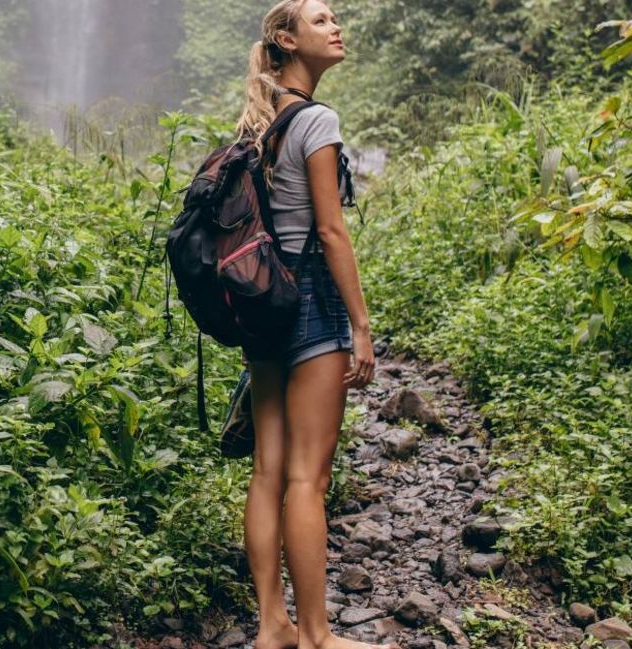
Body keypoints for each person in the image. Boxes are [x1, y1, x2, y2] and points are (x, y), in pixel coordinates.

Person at [233, 2, 393, 649]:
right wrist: (361, 323)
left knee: (268, 469)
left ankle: (272, 623)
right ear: (287, 38)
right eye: (322, 19)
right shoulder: (317, 120)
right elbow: (330, 229)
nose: (336, 27)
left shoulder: (260, 121)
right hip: (311, 304)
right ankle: (318, 637)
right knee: (307, 476)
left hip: (263, 305)